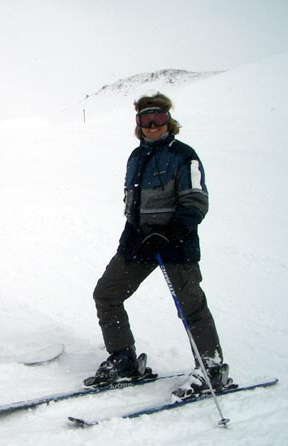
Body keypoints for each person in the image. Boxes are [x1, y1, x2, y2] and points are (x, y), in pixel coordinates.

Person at [84, 93, 230, 399]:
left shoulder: (183, 155)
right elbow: (133, 205)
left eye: (158, 119)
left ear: (169, 120)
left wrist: (171, 233)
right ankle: (123, 358)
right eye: (146, 120)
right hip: (139, 243)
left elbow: (195, 202)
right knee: (107, 294)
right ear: (138, 123)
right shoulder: (136, 157)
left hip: (176, 245)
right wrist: (132, 236)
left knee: (191, 306)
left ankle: (211, 369)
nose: (152, 126)